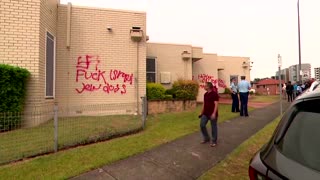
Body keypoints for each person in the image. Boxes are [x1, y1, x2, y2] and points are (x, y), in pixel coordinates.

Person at [199, 82, 219, 147]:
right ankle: (207, 138)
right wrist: (201, 112)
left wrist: (214, 113)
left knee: (213, 127)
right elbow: (204, 104)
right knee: (202, 125)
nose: (204, 87)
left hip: (212, 113)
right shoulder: (205, 94)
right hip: (205, 113)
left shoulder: (214, 94)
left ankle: (214, 141)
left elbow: (216, 104)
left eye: (205, 86)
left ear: (208, 87)